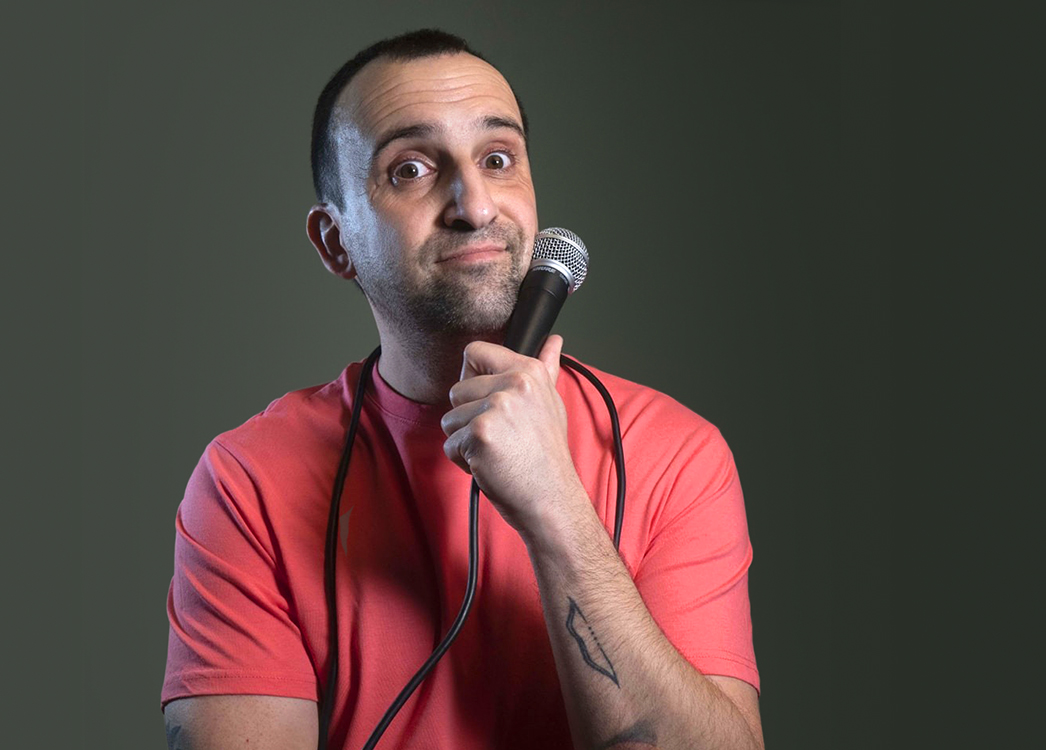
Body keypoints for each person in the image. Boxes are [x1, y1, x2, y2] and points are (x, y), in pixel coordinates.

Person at [161, 29, 763, 749]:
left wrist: (554, 506)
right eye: (410, 168)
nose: (475, 206)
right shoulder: (248, 480)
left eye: (498, 159)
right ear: (335, 241)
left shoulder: (674, 453)